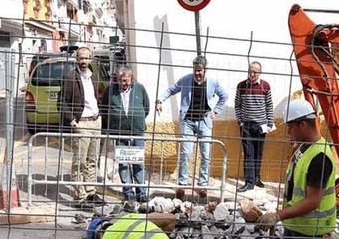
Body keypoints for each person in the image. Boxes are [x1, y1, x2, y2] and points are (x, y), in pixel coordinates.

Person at [257, 100, 336, 239]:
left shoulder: (320, 157)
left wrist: (278, 215)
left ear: (303, 124)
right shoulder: (303, 147)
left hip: (311, 226)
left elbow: (313, 201)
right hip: (296, 222)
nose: (288, 131)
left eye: (291, 126)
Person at [155, 55, 228, 200]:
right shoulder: (186, 80)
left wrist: (215, 111)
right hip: (187, 121)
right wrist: (159, 100)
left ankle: (202, 185)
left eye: (200, 70)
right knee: (185, 153)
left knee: (206, 154)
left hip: (204, 122)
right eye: (195, 70)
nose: (197, 73)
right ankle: (181, 184)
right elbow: (171, 90)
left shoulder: (213, 82)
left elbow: (224, 96)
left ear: (205, 70)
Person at [58, 47, 105, 205]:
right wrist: (72, 120)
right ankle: (80, 197)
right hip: (82, 123)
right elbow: (61, 102)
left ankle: (91, 192)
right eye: (80, 58)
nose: (83, 61)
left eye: (86, 58)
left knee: (92, 160)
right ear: (76, 59)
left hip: (95, 121)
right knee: (79, 162)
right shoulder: (71, 77)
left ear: (91, 58)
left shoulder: (93, 76)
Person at [101, 65, 151, 203]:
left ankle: (141, 192)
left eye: (127, 80)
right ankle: (127, 192)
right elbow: (104, 109)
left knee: (138, 162)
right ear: (117, 80)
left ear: (131, 78)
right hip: (120, 131)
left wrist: (137, 119)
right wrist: (114, 123)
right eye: (122, 80)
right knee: (123, 163)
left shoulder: (139, 89)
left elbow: (146, 107)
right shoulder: (110, 91)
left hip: (137, 131)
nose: (125, 83)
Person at [235, 61, 274, 192]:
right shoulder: (241, 86)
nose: (252, 74)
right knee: (248, 154)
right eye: (250, 71)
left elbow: (269, 105)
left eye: (255, 72)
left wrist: (269, 124)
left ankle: (257, 178)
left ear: (260, 72)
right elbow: (237, 105)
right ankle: (249, 182)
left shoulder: (265, 86)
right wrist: (240, 121)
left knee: (258, 153)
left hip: (261, 126)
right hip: (246, 126)